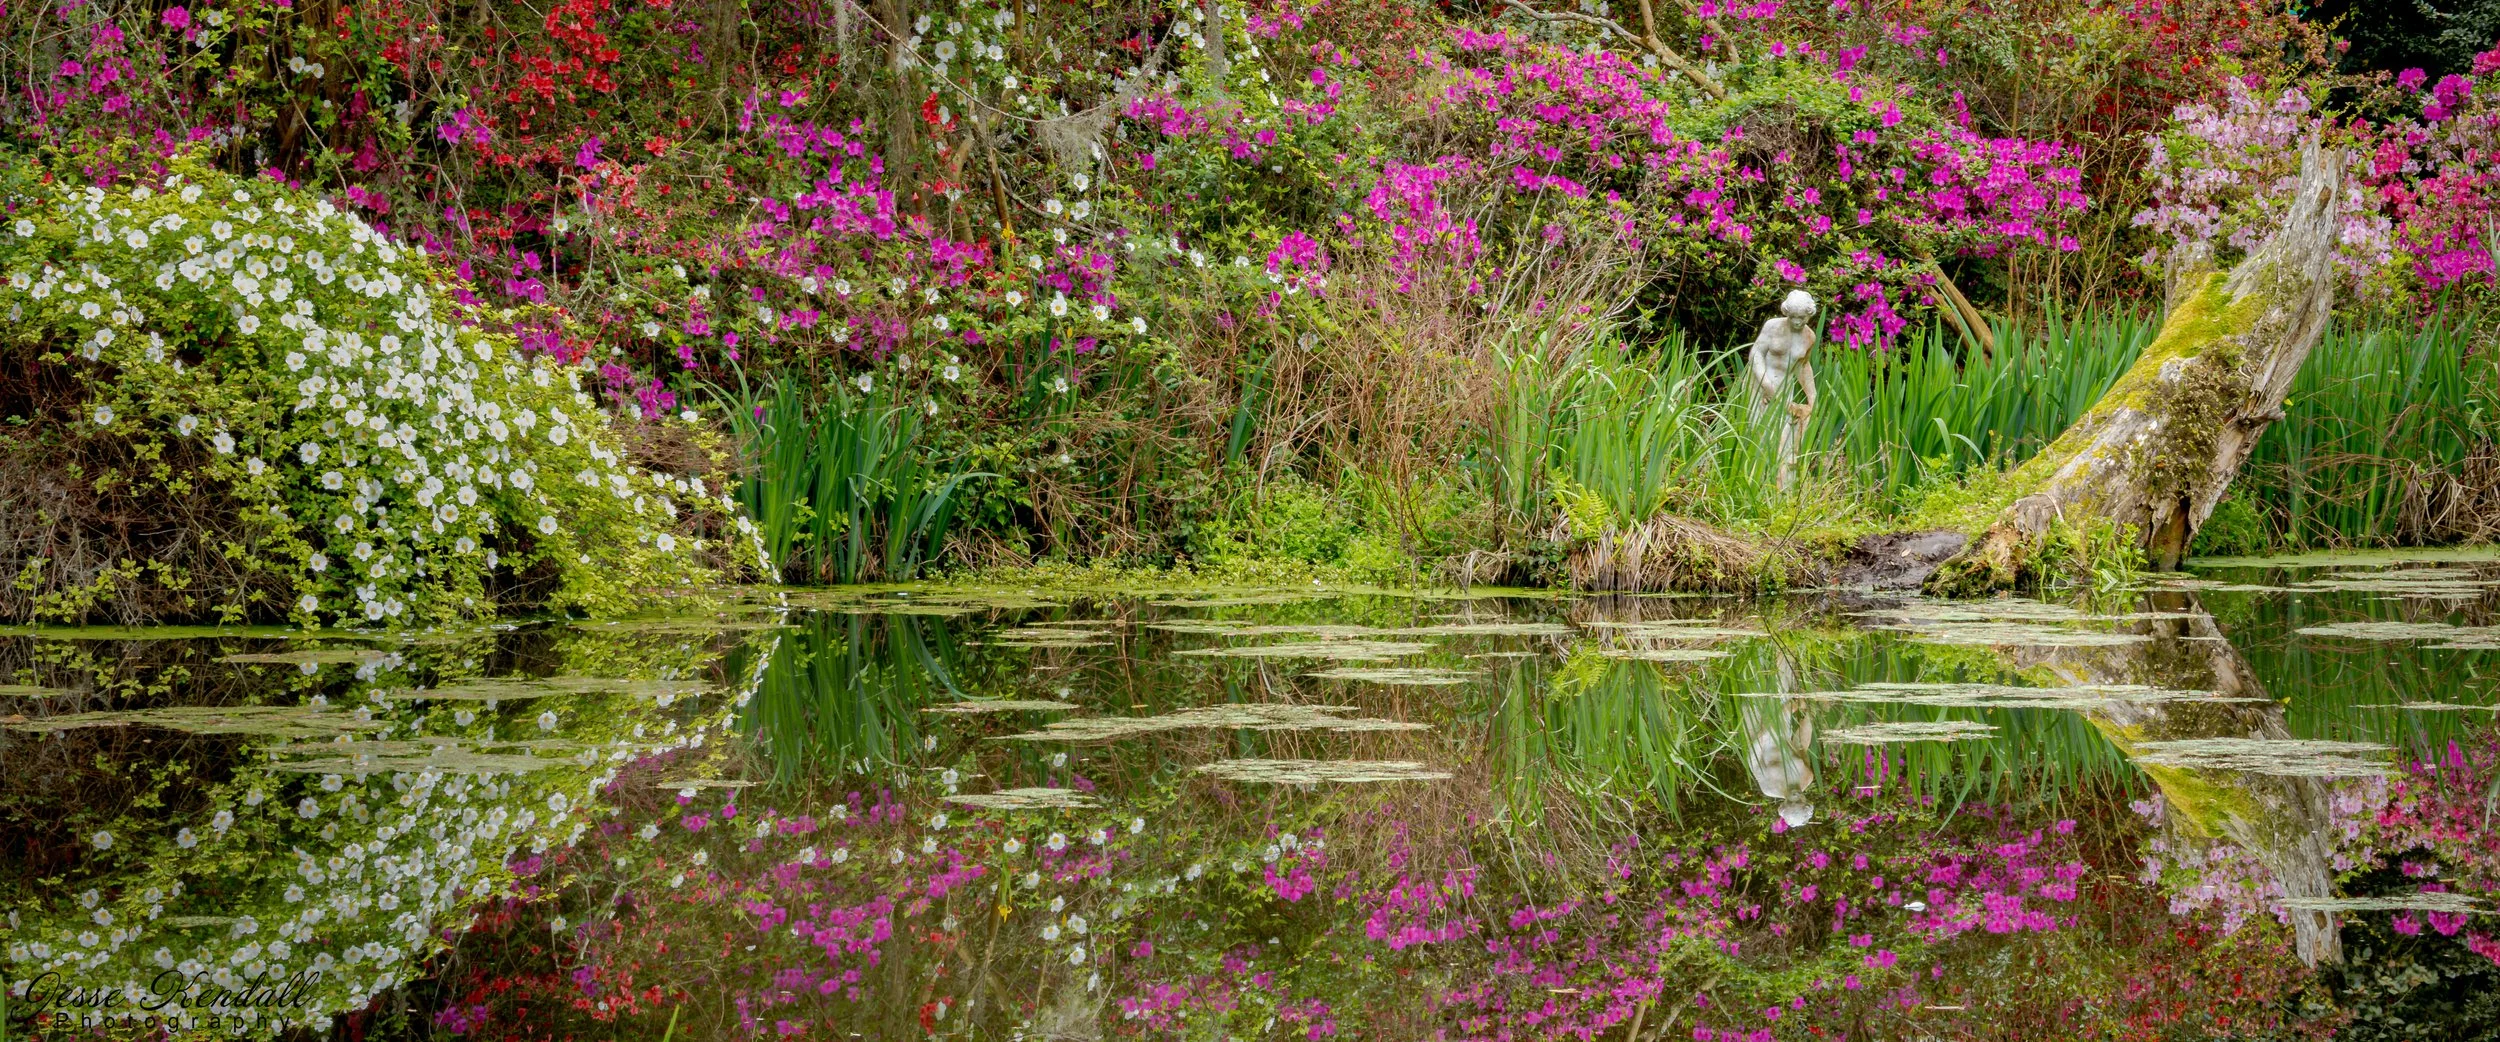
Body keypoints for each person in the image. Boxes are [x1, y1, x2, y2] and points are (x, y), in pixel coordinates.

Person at [1744, 290, 1818, 490]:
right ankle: (1754, 488)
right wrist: (1766, 386)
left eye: (1801, 318)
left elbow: (1803, 366)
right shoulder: (1773, 327)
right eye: (1792, 317)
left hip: (1785, 392)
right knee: (1760, 439)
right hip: (1762, 388)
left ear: (1808, 315)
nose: (1796, 322)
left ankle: (1780, 493)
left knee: (1785, 445)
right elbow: (1756, 355)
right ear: (1787, 313)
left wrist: (1812, 395)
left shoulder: (1809, 336)